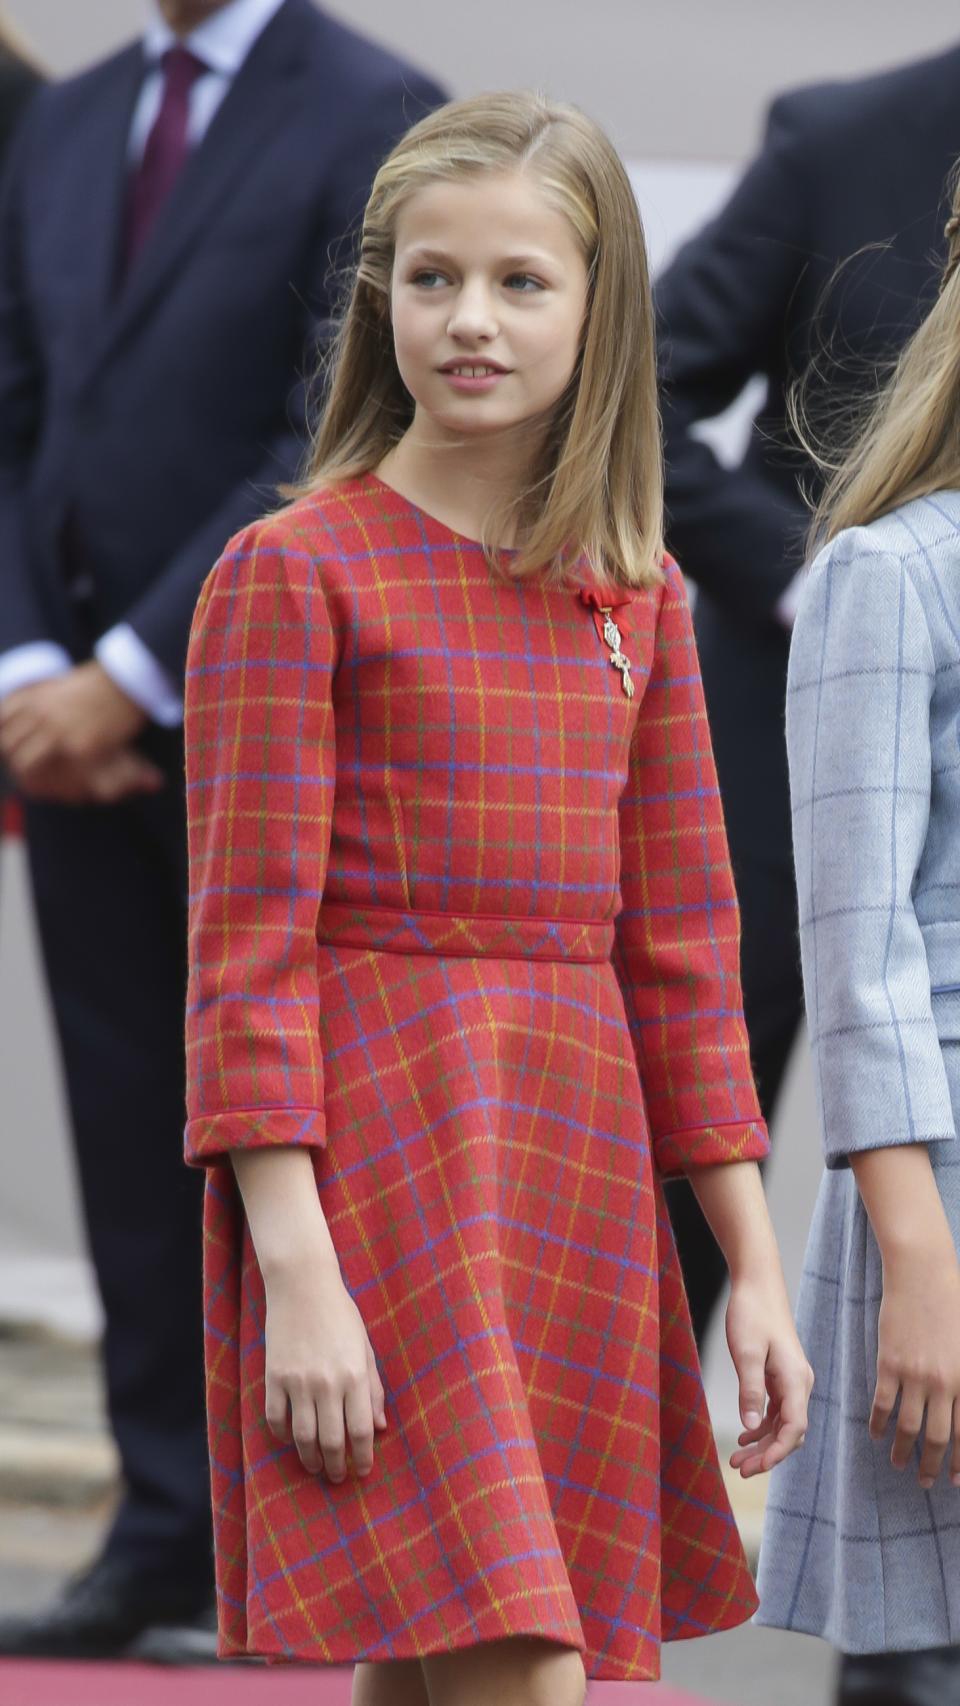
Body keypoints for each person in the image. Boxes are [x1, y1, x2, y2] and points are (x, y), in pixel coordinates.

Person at [182, 90, 813, 1701]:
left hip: (574, 1170)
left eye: (522, 281)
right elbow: (243, 960)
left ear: (601, 312)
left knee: (461, 1649)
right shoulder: (293, 573)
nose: (468, 320)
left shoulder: (643, 593)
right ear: (379, 297)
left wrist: (746, 1260)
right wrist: (296, 1271)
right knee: (518, 1649)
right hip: (372, 1169)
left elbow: (683, 951)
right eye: (429, 277)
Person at [0, 0, 443, 1663]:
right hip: (66, 733)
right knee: (125, 1123)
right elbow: (17, 402)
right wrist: (33, 662)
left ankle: (314, 1540)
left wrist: (132, 673)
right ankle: (163, 1527)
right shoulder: (69, 113)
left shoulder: (374, 108)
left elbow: (335, 432)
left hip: (269, 715)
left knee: (289, 1130)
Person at [655, 46, 960, 1356]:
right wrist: (828, 593)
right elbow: (637, 390)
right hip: (788, 747)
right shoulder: (841, 135)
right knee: (688, 1155)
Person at [755, 179, 960, 1704]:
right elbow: (857, 944)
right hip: (938, 1183)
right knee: (925, 1648)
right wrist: (918, 1262)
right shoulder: (890, 575)